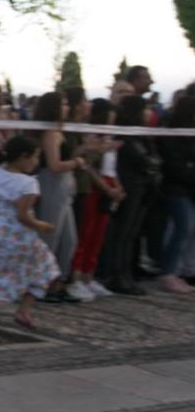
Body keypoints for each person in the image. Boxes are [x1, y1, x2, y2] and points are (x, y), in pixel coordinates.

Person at [0, 136, 60, 345]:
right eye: (34, 157)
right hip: (19, 238)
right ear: (23, 157)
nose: (36, 162)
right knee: (47, 268)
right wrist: (42, 225)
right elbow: (23, 216)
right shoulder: (29, 183)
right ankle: (23, 310)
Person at [32, 92, 87, 303]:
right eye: (63, 103)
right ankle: (41, 285)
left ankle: (58, 281)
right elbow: (54, 165)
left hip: (64, 187)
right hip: (52, 185)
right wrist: (77, 163)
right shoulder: (50, 133)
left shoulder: (60, 131)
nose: (67, 106)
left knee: (69, 240)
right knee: (50, 238)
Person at [103, 95, 161, 295]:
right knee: (124, 233)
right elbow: (142, 160)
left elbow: (153, 159)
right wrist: (150, 163)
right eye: (145, 109)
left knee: (132, 233)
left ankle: (126, 273)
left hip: (142, 187)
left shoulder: (141, 134)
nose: (149, 113)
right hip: (130, 187)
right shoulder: (126, 134)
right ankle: (117, 275)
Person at [70, 100, 124, 299]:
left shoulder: (110, 138)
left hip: (108, 184)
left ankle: (88, 277)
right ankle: (75, 278)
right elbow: (88, 166)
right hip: (94, 187)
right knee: (86, 232)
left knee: (98, 235)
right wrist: (106, 188)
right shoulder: (91, 137)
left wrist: (118, 187)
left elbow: (112, 167)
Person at [157, 95, 195, 294]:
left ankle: (184, 271)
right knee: (182, 229)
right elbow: (175, 166)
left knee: (188, 230)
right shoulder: (173, 134)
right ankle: (169, 273)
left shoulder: (187, 134)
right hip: (176, 188)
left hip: (187, 188)